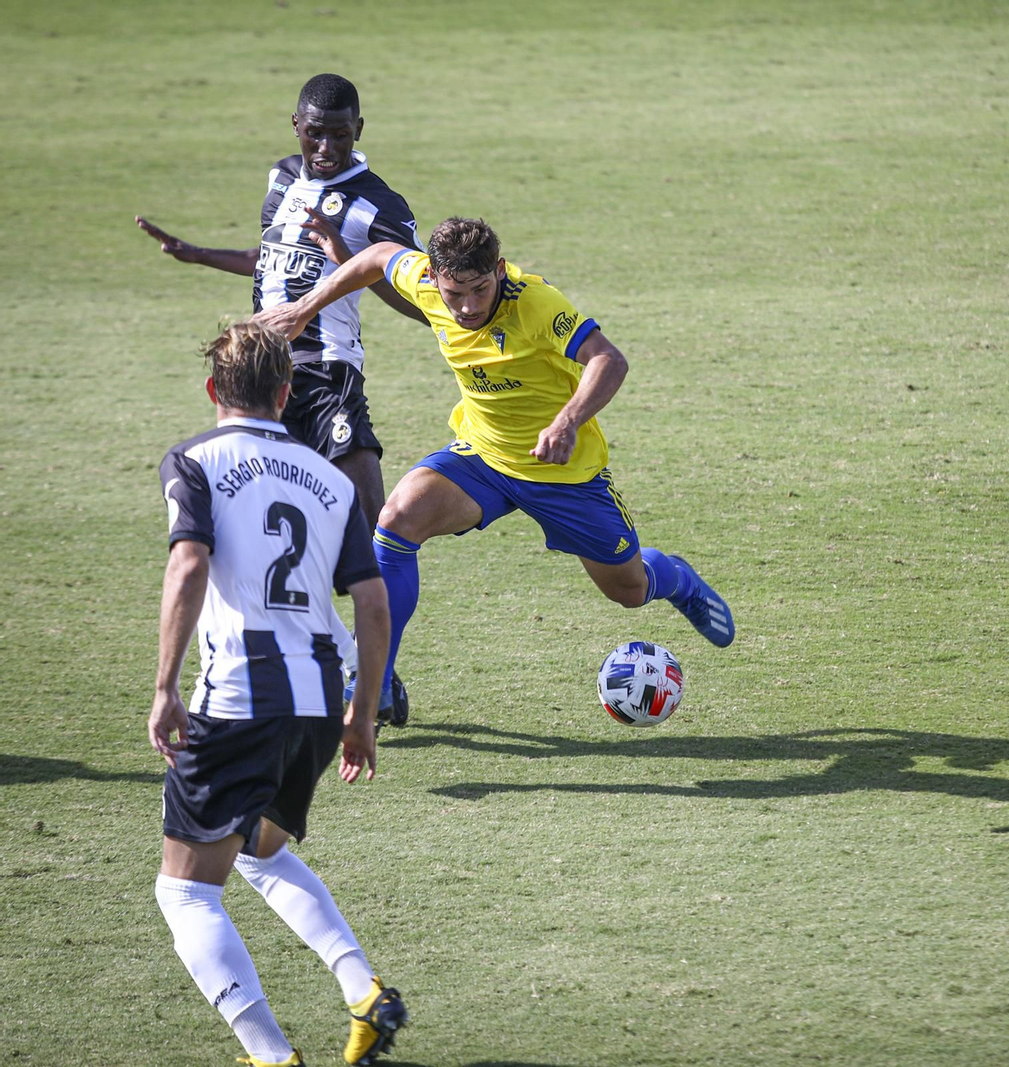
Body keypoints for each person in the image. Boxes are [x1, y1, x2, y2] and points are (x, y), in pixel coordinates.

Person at [253, 217, 735, 714]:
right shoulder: (424, 283)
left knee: (629, 591)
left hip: (562, 475)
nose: (467, 306)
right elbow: (378, 258)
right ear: (436, 278)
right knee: (396, 522)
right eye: (454, 292)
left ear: (499, 272)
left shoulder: (536, 303)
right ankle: (374, 685)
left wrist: (568, 421)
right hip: (482, 458)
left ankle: (677, 580)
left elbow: (608, 360)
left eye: (480, 290)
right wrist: (305, 308)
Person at [149, 323, 408, 1066]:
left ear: (212, 390)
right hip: (320, 701)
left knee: (188, 893)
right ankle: (365, 991)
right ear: (287, 394)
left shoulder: (193, 461)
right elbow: (372, 599)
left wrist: (165, 688)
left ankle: (270, 1056)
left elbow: (189, 566)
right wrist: (361, 716)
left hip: (238, 698)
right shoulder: (330, 478)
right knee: (259, 852)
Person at [137, 72, 421, 724]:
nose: (326, 145)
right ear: (296, 126)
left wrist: (347, 254)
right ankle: (336, 662)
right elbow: (270, 259)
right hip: (262, 379)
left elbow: (422, 302)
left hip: (329, 375)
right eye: (315, 132)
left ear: (359, 131)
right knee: (268, 527)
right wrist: (198, 255)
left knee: (372, 522)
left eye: (339, 134)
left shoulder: (378, 203)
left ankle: (379, 672)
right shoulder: (280, 178)